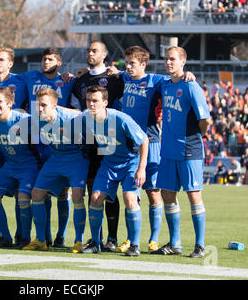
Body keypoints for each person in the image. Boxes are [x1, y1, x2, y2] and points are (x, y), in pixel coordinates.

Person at [118, 45, 197, 253]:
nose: (127, 67)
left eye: (131, 63)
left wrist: (188, 73)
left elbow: (176, 79)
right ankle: (130, 238)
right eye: (125, 63)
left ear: (143, 64)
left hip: (151, 141)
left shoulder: (156, 81)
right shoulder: (123, 78)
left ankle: (153, 239)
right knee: (130, 193)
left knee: (153, 192)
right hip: (128, 144)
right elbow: (105, 74)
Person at [152, 46, 211, 258]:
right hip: (167, 150)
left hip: (189, 149)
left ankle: (200, 245)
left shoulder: (190, 85)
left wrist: (196, 137)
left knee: (193, 196)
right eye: (166, 59)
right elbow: (141, 76)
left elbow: (205, 120)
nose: (168, 62)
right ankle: (175, 243)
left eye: (173, 59)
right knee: (167, 194)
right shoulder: (165, 84)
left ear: (183, 62)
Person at [79, 85, 148, 256]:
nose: (91, 104)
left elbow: (144, 140)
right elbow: (70, 118)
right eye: (88, 100)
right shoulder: (86, 118)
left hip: (130, 163)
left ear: (105, 102)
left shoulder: (121, 119)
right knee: (95, 198)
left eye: (95, 101)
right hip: (109, 163)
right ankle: (96, 242)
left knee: (130, 198)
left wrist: (141, 168)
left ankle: (135, 245)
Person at [70, 40, 124, 251]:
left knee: (109, 190)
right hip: (88, 141)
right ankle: (96, 238)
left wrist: (120, 73)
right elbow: (74, 107)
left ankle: (112, 238)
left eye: (94, 51)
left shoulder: (115, 78)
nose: (90, 53)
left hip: (110, 139)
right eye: (88, 50)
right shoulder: (80, 80)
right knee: (93, 189)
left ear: (104, 55)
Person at [20, 47, 75, 246]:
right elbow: (4, 76)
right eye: (44, 58)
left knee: (62, 191)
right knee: (40, 191)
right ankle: (44, 235)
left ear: (59, 63)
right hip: (36, 141)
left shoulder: (68, 81)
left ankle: (61, 235)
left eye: (51, 59)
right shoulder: (29, 77)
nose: (46, 62)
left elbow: (79, 108)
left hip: (59, 141)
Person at [23, 88, 89, 253]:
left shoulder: (71, 118)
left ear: (54, 105)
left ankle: (79, 241)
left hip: (76, 159)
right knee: (36, 194)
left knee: (77, 196)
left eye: (44, 105)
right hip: (56, 157)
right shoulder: (36, 119)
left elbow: (86, 115)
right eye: (37, 105)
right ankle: (40, 240)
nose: (39, 109)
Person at [0, 87, 45, 248]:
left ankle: (24, 238)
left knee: (24, 198)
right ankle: (5, 237)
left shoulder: (24, 120)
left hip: (29, 166)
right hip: (9, 166)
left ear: (10, 103)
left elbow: (46, 126)